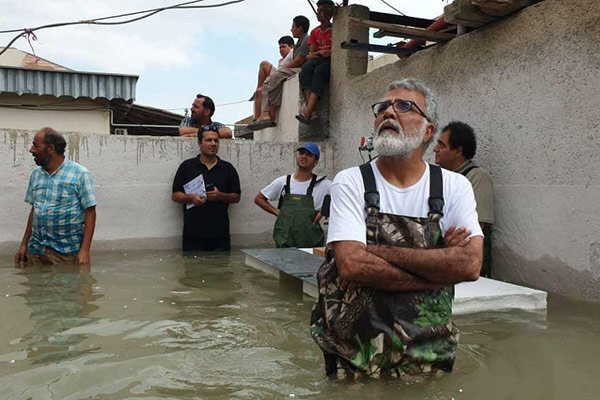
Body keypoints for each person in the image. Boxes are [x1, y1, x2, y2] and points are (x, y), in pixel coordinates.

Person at [310, 79, 483, 379]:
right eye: (383, 107)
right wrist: (436, 272)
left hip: (428, 352)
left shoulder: (454, 186)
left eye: (404, 106)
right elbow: (352, 265)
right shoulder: (351, 182)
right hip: (353, 352)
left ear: (428, 131)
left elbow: (469, 265)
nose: (388, 112)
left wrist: (376, 251)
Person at [14, 127, 97, 266]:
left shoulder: (80, 174)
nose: (31, 150)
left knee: (68, 287)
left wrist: (85, 251)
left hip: (66, 254)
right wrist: (24, 245)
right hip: (36, 251)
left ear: (50, 148)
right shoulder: (35, 175)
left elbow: (90, 213)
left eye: (35, 145)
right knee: (36, 287)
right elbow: (35, 211)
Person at [434, 121, 494, 277]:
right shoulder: (440, 178)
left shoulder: (477, 178)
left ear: (458, 151)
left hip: (468, 267)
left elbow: (472, 231)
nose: (435, 149)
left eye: (442, 145)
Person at [171, 126, 241, 251]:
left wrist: (220, 196)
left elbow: (236, 197)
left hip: (220, 234)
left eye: (216, 140)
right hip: (193, 235)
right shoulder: (187, 167)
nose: (213, 144)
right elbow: (175, 195)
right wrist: (192, 198)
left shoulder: (227, 168)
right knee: (192, 269)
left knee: (222, 269)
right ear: (199, 143)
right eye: (208, 140)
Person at [254, 142, 332, 248]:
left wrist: (323, 212)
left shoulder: (325, 184)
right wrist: (277, 212)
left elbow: (342, 200)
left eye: (309, 155)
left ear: (315, 162)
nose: (304, 156)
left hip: (311, 243)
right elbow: (259, 199)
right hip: (284, 242)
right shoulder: (283, 182)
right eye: (301, 153)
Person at [247, 16, 310, 131]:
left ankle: (266, 114)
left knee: (269, 80)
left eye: (293, 27)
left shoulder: (305, 40)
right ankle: (268, 115)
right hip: (293, 69)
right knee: (270, 84)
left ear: (300, 28)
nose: (291, 30)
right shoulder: (299, 43)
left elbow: (299, 60)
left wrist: (283, 69)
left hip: (298, 69)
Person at [296, 0, 335, 124]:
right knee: (306, 70)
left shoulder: (335, 29)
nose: (319, 13)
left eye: (321, 10)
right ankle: (312, 111)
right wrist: (320, 53)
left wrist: (328, 53)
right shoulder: (314, 32)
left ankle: (308, 111)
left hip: (331, 61)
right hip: (319, 59)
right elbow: (310, 55)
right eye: (318, 10)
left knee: (319, 72)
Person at [251, 36, 295, 121]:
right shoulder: (281, 60)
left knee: (264, 64)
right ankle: (256, 117)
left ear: (291, 46)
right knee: (259, 91)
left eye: (284, 47)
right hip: (279, 75)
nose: (281, 49)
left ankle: (259, 89)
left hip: (283, 75)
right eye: (280, 47)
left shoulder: (292, 53)